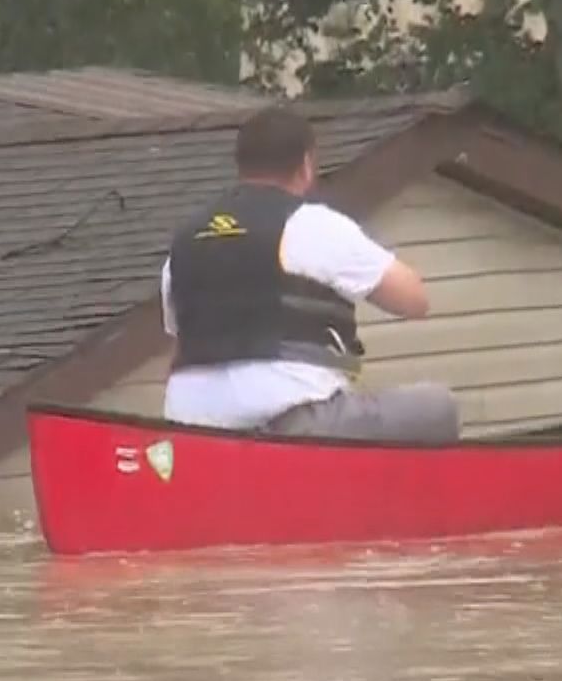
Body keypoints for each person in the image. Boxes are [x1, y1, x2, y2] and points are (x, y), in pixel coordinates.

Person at [159, 105, 459, 442]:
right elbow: (414, 300)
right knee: (438, 407)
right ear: (306, 165)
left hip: (192, 432)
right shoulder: (313, 224)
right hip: (293, 426)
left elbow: (178, 342)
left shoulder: (184, 242)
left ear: (240, 166)